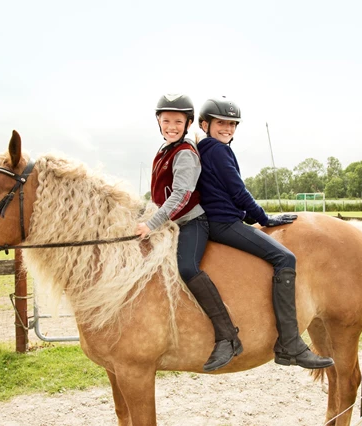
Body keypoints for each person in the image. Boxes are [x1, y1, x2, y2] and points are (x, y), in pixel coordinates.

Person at [196, 96, 334, 369]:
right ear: (205, 124)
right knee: (285, 258)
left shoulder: (207, 149)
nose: (227, 129)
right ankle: (290, 344)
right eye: (221, 123)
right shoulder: (217, 150)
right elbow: (238, 191)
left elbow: (221, 193)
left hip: (220, 219)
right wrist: (264, 218)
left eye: (232, 124)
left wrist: (248, 215)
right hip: (223, 225)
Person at [136, 94, 242, 372]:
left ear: (189, 123)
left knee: (188, 268)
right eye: (166, 120)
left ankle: (228, 335)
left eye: (178, 121)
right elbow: (160, 195)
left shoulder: (184, 152)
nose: (171, 125)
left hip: (192, 222)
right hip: (171, 222)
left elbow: (182, 195)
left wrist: (152, 223)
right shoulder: (165, 149)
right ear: (158, 122)